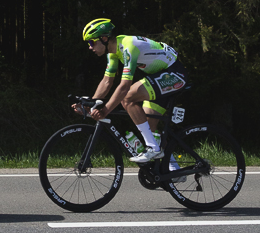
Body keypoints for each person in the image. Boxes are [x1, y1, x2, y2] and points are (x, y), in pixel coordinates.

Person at [80, 18, 189, 163]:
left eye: (91, 42)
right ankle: (173, 171)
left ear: (104, 38)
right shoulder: (112, 52)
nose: (90, 47)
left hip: (175, 74)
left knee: (128, 98)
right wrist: (89, 104)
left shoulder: (128, 46)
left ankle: (153, 149)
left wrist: (105, 110)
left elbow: (124, 87)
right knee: (150, 129)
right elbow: (107, 81)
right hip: (160, 77)